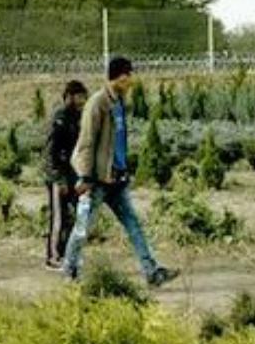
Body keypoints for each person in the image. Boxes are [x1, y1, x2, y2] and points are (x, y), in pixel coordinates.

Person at [62, 58, 177, 287]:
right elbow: (86, 142)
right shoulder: (97, 103)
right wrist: (85, 177)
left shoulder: (119, 102)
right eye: (129, 75)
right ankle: (71, 270)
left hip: (117, 178)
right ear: (121, 76)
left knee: (133, 225)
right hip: (96, 180)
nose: (131, 80)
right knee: (83, 229)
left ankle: (152, 272)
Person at [43, 80, 88, 271]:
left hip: (74, 174)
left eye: (83, 97)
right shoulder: (59, 119)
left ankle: (69, 254)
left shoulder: (80, 118)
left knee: (76, 217)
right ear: (69, 97)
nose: (82, 101)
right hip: (59, 176)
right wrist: (58, 179)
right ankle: (53, 256)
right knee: (59, 218)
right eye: (78, 97)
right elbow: (50, 153)